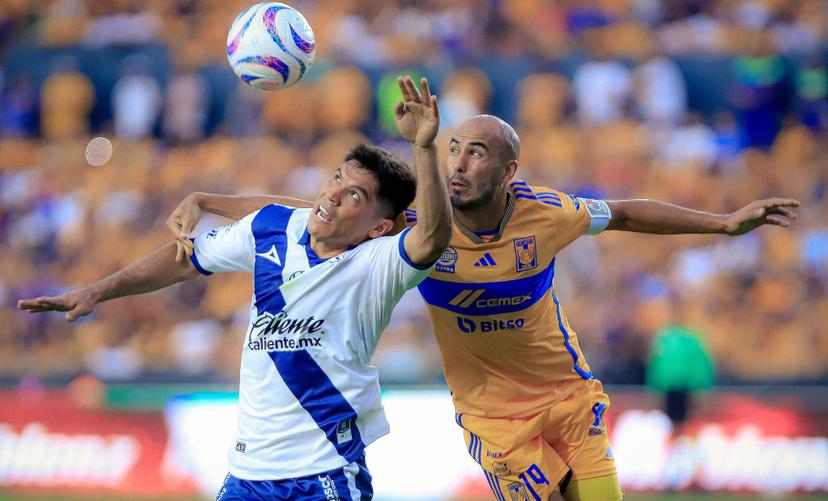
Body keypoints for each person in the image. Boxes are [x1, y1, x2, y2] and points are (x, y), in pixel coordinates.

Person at [167, 114, 799, 501]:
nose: (458, 163)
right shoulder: (415, 225)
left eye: (475, 152)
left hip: (570, 399)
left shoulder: (550, 213)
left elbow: (628, 211)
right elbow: (306, 212)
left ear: (508, 168)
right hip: (496, 420)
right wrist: (209, 199)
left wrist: (721, 224)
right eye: (453, 150)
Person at [18, 76, 451, 500]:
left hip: (325, 474)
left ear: (378, 226)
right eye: (337, 178)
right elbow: (186, 260)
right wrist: (97, 290)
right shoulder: (276, 228)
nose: (334, 194)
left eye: (355, 195)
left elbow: (431, 235)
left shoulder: (376, 264)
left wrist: (424, 147)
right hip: (247, 476)